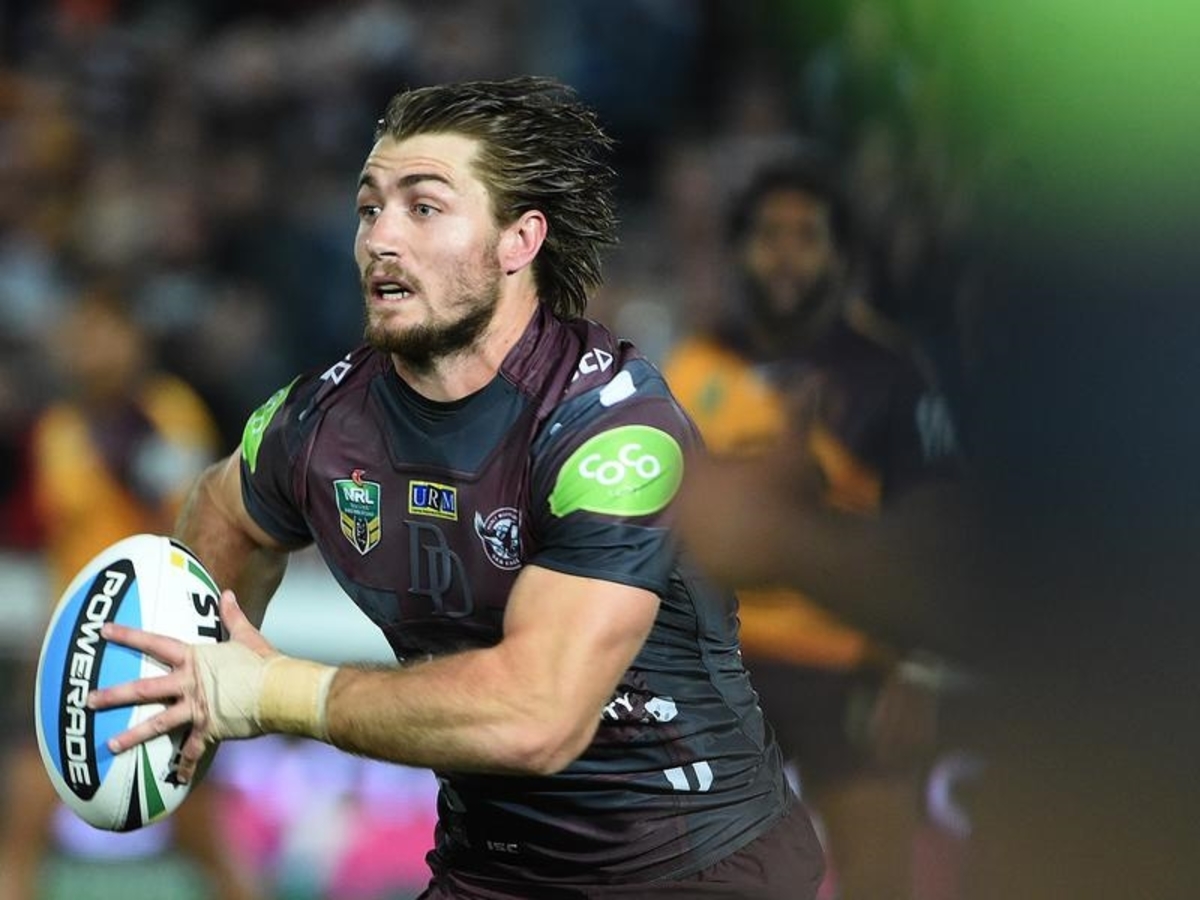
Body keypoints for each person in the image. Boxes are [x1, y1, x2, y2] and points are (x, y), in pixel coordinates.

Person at [87, 76, 825, 900]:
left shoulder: (614, 430)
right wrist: (181, 692)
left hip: (697, 870)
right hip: (487, 874)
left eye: (424, 207)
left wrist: (269, 691)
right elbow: (226, 507)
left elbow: (538, 716)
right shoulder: (317, 422)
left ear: (519, 241)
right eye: (370, 208)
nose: (380, 238)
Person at [661, 158, 963, 899]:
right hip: (719, 664)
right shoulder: (696, 363)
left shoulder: (891, 374)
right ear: (739, 251)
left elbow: (936, 532)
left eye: (807, 236)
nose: (787, 255)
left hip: (844, 661)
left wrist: (919, 669)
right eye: (770, 235)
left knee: (878, 875)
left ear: (841, 256)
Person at [0, 289, 262, 900]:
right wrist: (46, 645)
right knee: (21, 830)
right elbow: (56, 546)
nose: (89, 349)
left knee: (204, 839)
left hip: (150, 651)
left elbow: (201, 531)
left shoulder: (170, 415)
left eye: (104, 333)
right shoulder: (58, 430)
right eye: (80, 334)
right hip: (71, 653)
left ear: (132, 340)